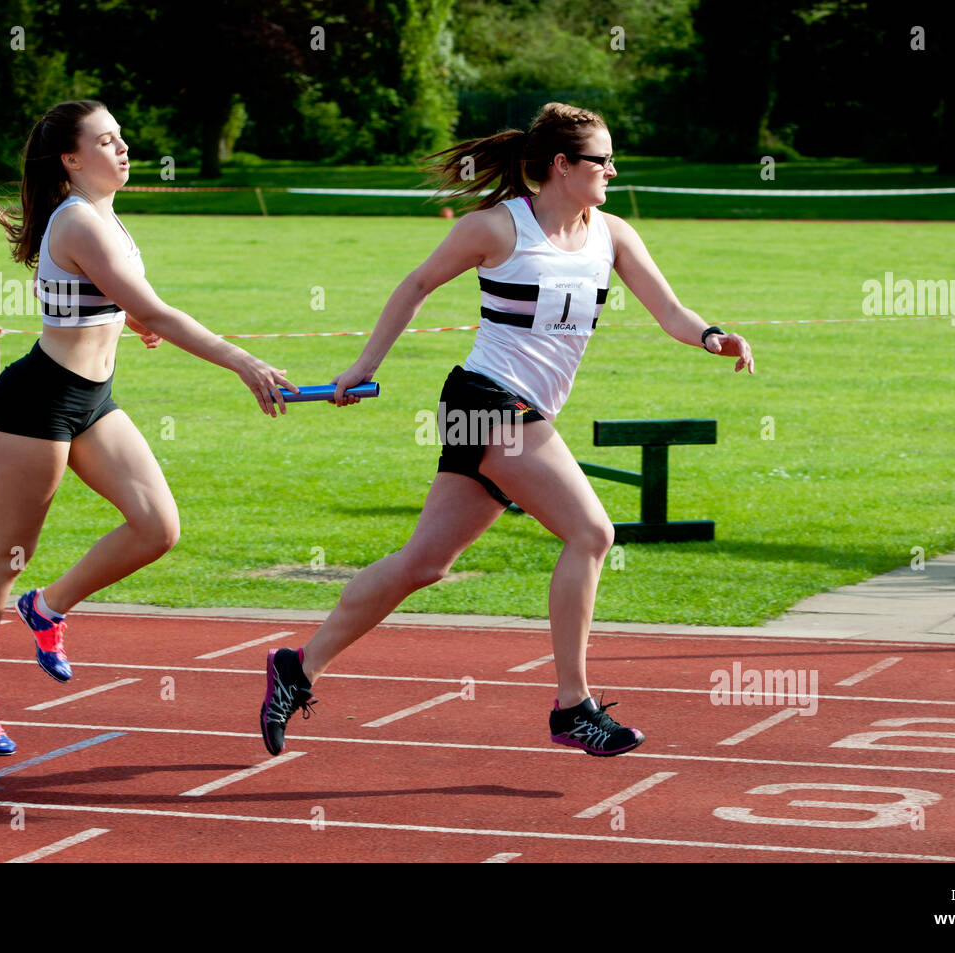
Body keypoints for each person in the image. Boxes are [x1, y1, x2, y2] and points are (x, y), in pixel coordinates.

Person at [260, 102, 754, 758]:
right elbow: (417, 284)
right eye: (601, 159)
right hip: (485, 400)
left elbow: (669, 310)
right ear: (561, 165)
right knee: (592, 531)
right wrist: (364, 365)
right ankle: (572, 705)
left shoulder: (613, 234)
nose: (612, 168)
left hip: (519, 411)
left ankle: (298, 665)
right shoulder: (499, 227)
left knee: (425, 563)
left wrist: (712, 337)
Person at [0, 99, 297, 755]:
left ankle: (46, 608)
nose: (124, 147)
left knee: (158, 526)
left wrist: (125, 319)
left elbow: (102, 296)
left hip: (91, 400)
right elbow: (155, 309)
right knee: (7, 554)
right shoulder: (81, 221)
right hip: (37, 406)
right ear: (71, 160)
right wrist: (240, 360)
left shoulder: (101, 216)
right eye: (106, 141)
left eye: (122, 137)